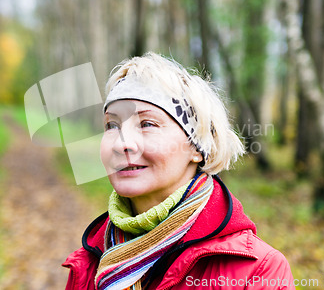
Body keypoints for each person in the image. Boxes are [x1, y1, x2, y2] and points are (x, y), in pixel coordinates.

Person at [63, 52, 295, 289]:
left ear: (197, 147)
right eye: (112, 125)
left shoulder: (257, 270)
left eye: (147, 124)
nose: (122, 143)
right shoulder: (89, 260)